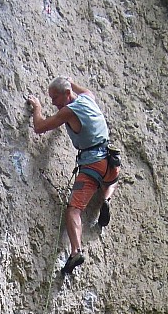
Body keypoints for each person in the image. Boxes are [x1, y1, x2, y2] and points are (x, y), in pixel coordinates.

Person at [27, 77, 120, 275]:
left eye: (55, 97)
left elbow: (39, 127)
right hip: (110, 160)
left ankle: (75, 251)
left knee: (73, 210)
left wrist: (37, 107)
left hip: (91, 165)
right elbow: (84, 90)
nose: (53, 102)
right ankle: (106, 197)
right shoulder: (88, 98)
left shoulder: (68, 111)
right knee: (112, 180)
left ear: (67, 94)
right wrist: (71, 82)